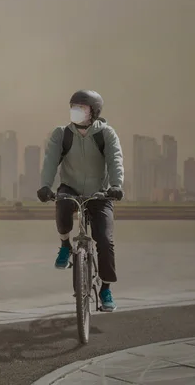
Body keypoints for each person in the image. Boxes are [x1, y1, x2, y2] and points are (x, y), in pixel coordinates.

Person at [37, 90, 124, 312]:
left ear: (93, 112)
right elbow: (50, 161)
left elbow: (115, 160)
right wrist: (45, 185)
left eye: (81, 108)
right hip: (71, 188)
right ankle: (65, 245)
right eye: (73, 107)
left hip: (100, 193)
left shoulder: (105, 134)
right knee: (62, 203)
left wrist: (116, 186)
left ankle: (105, 288)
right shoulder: (62, 134)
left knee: (104, 240)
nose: (76, 112)